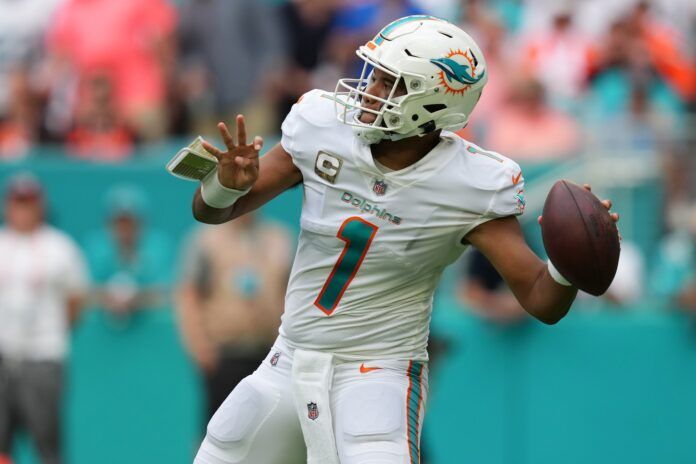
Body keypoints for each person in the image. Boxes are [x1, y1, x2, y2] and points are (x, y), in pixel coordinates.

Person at [185, 15, 619, 464]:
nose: (369, 90)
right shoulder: (322, 126)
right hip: (290, 358)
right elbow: (213, 211)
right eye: (374, 75)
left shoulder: (470, 184)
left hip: (376, 373)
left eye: (390, 83)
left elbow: (538, 297)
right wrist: (226, 184)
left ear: (434, 104)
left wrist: (570, 264)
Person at [0, 173, 89, 464]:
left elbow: (75, 300)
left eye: (29, 202)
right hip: (3, 353)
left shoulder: (60, 247)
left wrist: (52, 333)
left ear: (40, 205)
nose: (23, 209)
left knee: (47, 442)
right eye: (18, 202)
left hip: (43, 356)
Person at [175, 212, 292, 424]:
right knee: (221, 429)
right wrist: (200, 347)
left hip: (270, 355)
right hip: (224, 353)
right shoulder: (206, 239)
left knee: (268, 430)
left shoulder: (279, 239)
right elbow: (190, 295)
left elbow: (290, 293)